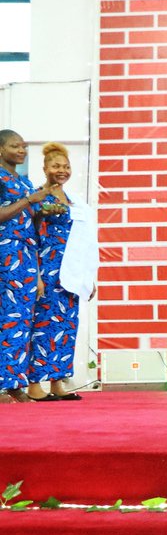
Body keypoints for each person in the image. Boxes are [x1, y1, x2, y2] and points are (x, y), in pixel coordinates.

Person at [26, 143, 98, 401]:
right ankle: (35, 385)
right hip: (46, 269)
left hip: (72, 272)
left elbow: (86, 240)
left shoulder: (75, 201)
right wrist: (35, 276)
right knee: (42, 326)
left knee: (67, 326)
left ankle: (58, 381)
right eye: (56, 166)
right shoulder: (36, 197)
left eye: (66, 166)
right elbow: (31, 237)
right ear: (45, 168)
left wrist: (89, 277)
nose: (62, 170)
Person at [0, 130, 51, 403]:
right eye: (14, 146)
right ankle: (6, 384)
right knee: (8, 319)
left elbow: (29, 219)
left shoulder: (23, 180)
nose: (21, 150)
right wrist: (29, 201)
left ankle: (13, 383)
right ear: (0, 150)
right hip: (6, 254)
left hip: (26, 254)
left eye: (23, 146)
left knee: (21, 321)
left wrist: (42, 207)